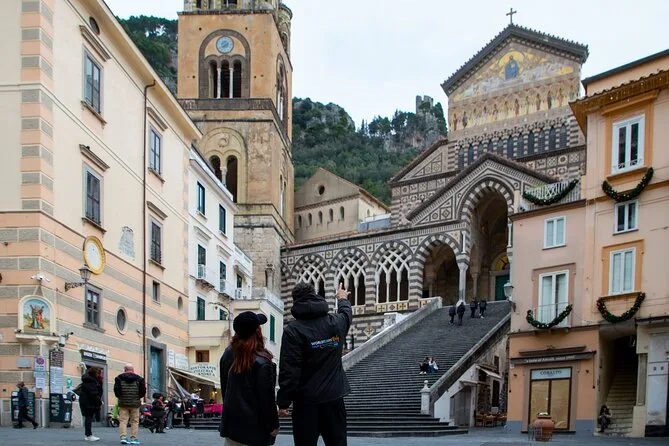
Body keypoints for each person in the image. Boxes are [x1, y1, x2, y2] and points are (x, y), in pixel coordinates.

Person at [277, 282, 352, 446]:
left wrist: (283, 402)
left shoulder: (293, 330)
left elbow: (289, 371)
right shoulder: (336, 323)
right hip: (334, 399)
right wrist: (342, 299)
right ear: (315, 294)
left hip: (305, 404)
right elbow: (346, 314)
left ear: (295, 301)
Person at [219, 311, 279, 446]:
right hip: (255, 430)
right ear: (257, 331)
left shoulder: (227, 354)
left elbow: (225, 389)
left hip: (232, 427)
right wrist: (273, 425)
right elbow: (266, 399)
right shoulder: (262, 361)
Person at [114, 363, 146, 445]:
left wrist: (120, 397)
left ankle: (123, 437)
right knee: (134, 421)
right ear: (133, 370)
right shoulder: (139, 379)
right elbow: (143, 391)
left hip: (123, 403)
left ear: (125, 370)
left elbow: (116, 391)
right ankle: (133, 438)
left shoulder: (119, 378)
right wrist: (138, 397)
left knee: (123, 421)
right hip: (135, 403)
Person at [79, 367, 103, 442]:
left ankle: (88, 435)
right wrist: (99, 401)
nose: (99, 374)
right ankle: (89, 435)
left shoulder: (88, 379)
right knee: (89, 417)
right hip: (88, 402)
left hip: (86, 401)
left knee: (88, 417)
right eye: (98, 373)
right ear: (94, 373)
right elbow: (93, 393)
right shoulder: (90, 381)